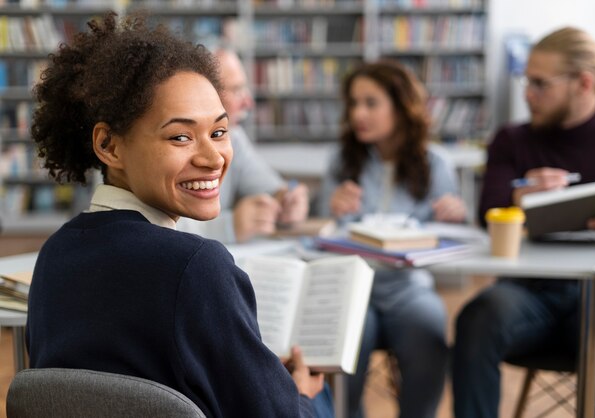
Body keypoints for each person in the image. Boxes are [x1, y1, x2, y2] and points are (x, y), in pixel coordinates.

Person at [25, 12, 330, 418]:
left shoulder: (54, 254)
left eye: (219, 132)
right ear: (109, 146)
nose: (212, 158)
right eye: (180, 136)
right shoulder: (196, 266)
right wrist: (304, 398)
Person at [453, 26, 595, 418]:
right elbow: (487, 210)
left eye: (539, 83)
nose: (527, 93)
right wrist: (518, 196)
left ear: (583, 83)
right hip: (529, 293)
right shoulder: (512, 140)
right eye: (526, 81)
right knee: (479, 316)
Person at [316, 60, 467, 418]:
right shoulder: (341, 162)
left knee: (430, 328)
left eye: (370, 103)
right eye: (353, 103)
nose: (358, 114)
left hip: (409, 287)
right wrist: (331, 211)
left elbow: (453, 237)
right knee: (345, 341)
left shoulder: (436, 163)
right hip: (352, 285)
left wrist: (456, 215)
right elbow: (317, 233)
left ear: (401, 107)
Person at [177, 47, 309, 243]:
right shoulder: (172, 149)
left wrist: (288, 200)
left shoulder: (235, 137)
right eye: (237, 90)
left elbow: (272, 190)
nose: (248, 102)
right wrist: (228, 226)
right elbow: (157, 225)